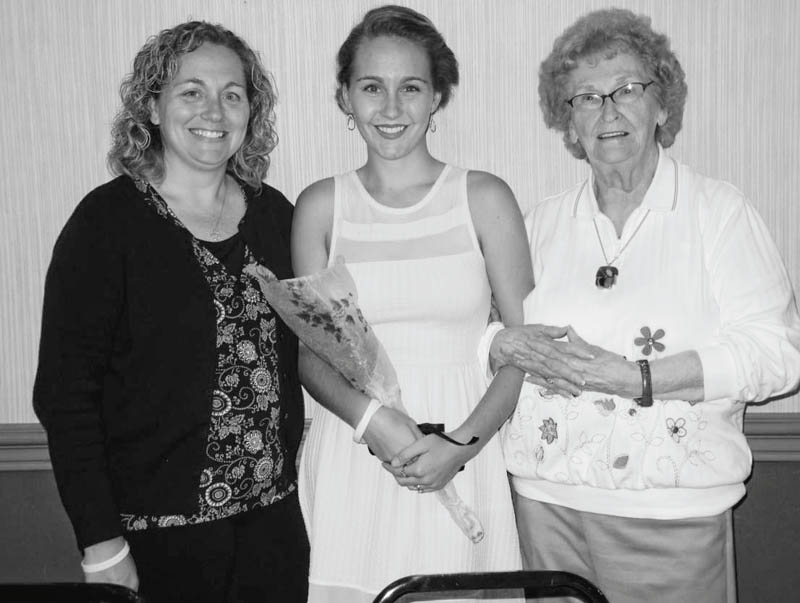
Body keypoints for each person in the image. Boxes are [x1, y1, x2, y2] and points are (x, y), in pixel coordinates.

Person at [486, 8, 800, 603]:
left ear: (662, 104)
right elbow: (487, 337)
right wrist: (497, 344)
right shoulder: (538, 224)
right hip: (547, 510)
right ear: (567, 122)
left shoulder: (718, 213)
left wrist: (638, 378)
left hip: (673, 518)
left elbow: (779, 354)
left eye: (627, 89)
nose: (608, 111)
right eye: (585, 97)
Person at [33, 21, 308, 603]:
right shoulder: (107, 225)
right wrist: (101, 546)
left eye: (233, 94)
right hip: (155, 542)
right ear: (152, 107)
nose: (214, 109)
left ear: (250, 112)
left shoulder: (276, 217)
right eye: (191, 91)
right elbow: (64, 394)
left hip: (273, 532)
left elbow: (314, 344)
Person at [292, 5, 531, 602]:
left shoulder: (484, 197)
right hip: (358, 458)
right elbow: (309, 353)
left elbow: (524, 352)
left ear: (437, 98)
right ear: (346, 98)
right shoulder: (321, 207)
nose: (391, 109)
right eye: (372, 87)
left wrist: (461, 443)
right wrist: (377, 426)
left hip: (464, 453)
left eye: (411, 88)